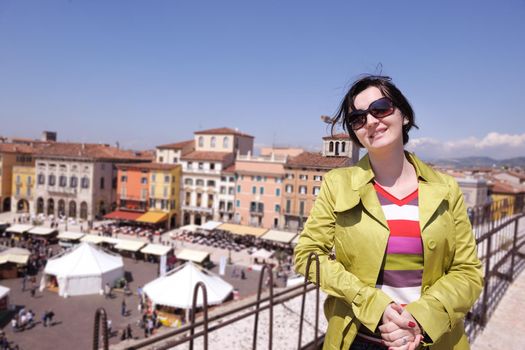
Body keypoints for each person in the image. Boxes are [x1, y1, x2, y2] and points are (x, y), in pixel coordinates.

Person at [294, 75, 483, 350]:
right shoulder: (337, 184)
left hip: (433, 340)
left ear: (404, 114)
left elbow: (467, 272)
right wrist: (372, 303)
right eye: (358, 118)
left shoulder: (446, 189)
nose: (370, 121)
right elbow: (308, 255)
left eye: (380, 108)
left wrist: (419, 319)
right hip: (358, 341)